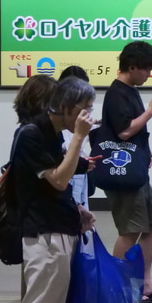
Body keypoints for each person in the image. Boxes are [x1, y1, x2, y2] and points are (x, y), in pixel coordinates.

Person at [5, 77, 97, 303]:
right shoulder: (30, 135)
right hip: (43, 237)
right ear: (68, 107)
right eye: (85, 109)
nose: (88, 116)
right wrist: (79, 138)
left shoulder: (53, 134)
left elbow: (59, 185)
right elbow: (58, 179)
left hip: (61, 229)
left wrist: (77, 209)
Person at [102, 41, 152, 303]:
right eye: (146, 69)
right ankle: (118, 287)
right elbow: (124, 131)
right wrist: (151, 112)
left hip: (137, 171)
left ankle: (144, 283)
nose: (148, 74)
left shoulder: (130, 91)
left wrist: (147, 153)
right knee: (130, 231)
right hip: (123, 175)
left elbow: (135, 131)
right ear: (131, 67)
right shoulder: (116, 94)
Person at [58, 66, 91, 210]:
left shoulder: (84, 114)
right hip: (64, 170)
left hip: (79, 170)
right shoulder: (54, 120)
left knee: (80, 211)